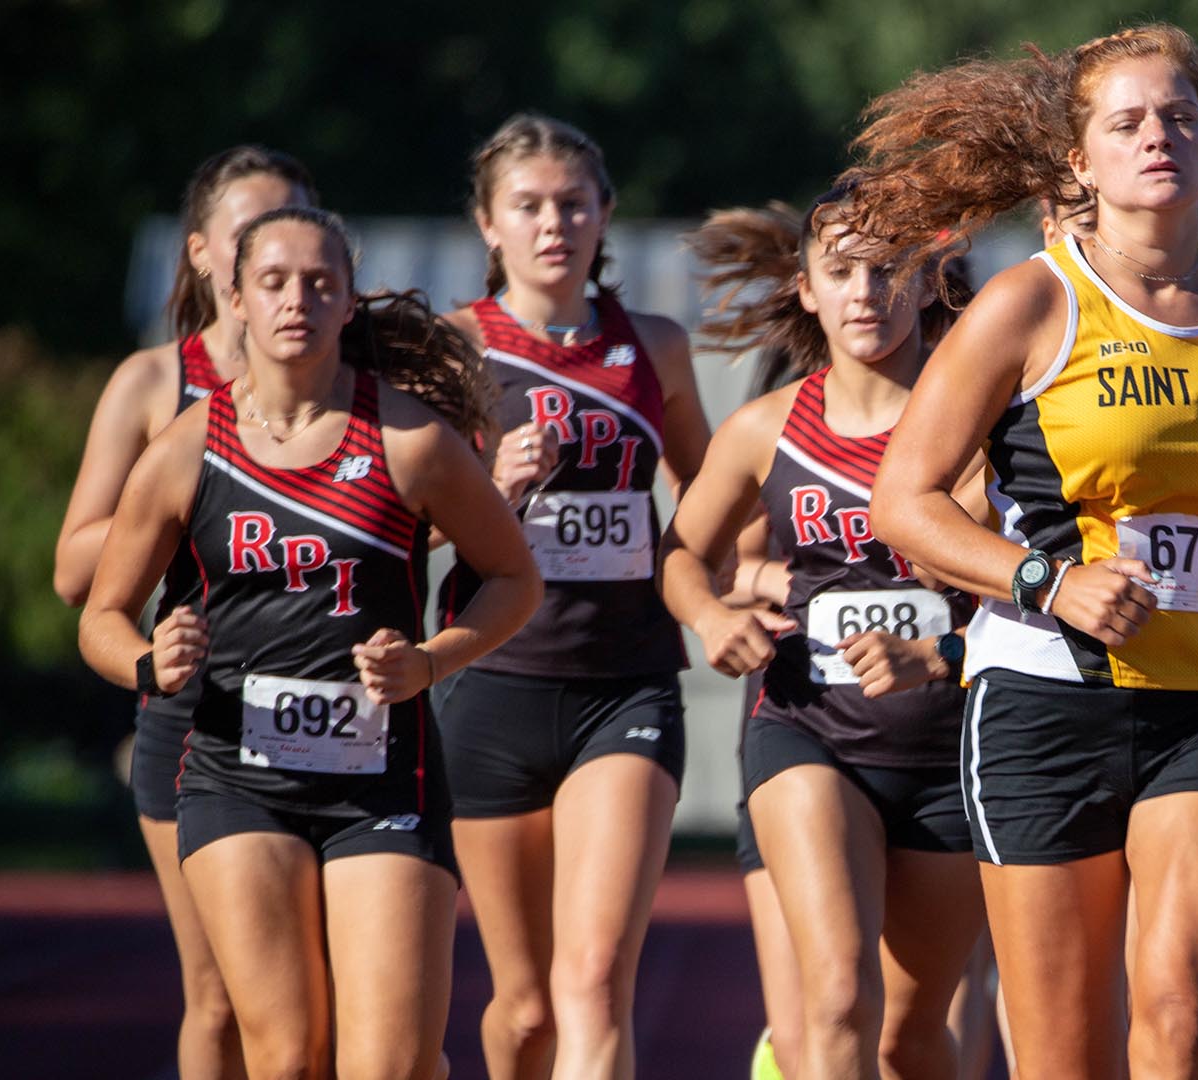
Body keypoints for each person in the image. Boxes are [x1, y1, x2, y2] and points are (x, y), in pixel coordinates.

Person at [848, 24, 1198, 1076]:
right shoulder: (1031, 303)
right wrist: (1050, 580)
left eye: (1180, 116)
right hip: (1045, 702)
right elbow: (902, 503)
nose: (1157, 137)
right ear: (1080, 160)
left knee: (1182, 1016)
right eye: (1126, 122)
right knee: (1064, 1053)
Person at [77, 206, 543, 1079]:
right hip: (235, 780)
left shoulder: (411, 441)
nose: (299, 300)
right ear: (237, 301)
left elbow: (516, 578)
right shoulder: (186, 449)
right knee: (287, 1057)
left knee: (393, 1064)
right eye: (275, 282)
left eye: (321, 283)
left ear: (347, 302)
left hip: (382, 782)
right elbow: (99, 617)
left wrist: (432, 660)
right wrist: (149, 662)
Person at [666, 190, 988, 1080]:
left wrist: (941, 645)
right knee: (839, 998)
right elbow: (682, 553)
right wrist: (710, 613)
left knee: (912, 1036)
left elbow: (1041, 587)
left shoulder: (988, 430)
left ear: (928, 283)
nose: (863, 291)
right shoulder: (765, 429)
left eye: (886, 269)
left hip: (950, 754)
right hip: (808, 733)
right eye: (839, 272)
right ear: (806, 290)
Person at [432, 112, 710, 1080]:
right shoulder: (453, 348)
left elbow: (711, 510)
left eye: (573, 203)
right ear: (488, 222)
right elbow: (399, 527)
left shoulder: (657, 347)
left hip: (624, 685)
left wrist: (722, 587)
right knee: (525, 1008)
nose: (553, 223)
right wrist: (490, 488)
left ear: (604, 216)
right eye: (529, 205)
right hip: (494, 679)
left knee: (594, 980)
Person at [53, 144, 316, 1080]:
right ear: (206, 253)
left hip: (336, 725)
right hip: (198, 714)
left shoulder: (348, 383)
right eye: (248, 233)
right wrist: (183, 504)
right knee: (218, 995)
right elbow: (77, 568)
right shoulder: (158, 384)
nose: (270, 252)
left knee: (315, 1011)